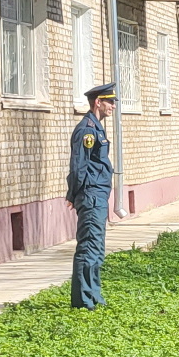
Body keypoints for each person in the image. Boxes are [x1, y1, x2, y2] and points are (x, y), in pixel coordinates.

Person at [66, 83, 116, 310]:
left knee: (96, 248)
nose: (113, 106)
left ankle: (93, 295)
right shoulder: (87, 130)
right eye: (110, 101)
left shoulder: (96, 128)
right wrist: (73, 193)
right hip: (91, 196)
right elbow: (79, 166)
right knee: (89, 248)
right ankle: (84, 301)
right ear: (98, 102)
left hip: (97, 196)